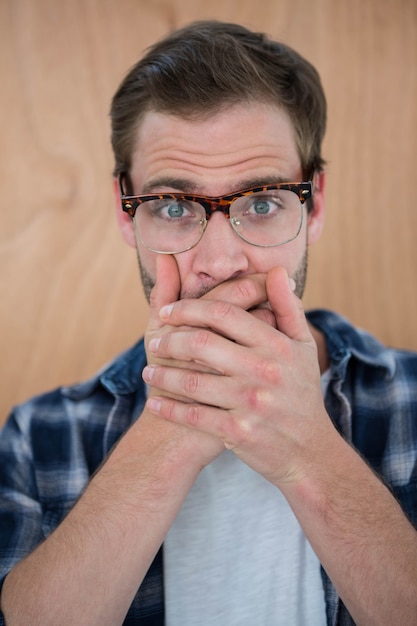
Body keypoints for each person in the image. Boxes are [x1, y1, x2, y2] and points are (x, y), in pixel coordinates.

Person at [0, 20, 416, 626]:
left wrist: (309, 454)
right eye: (173, 206)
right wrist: (175, 423)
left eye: (264, 202)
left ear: (315, 205)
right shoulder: (36, 440)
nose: (220, 262)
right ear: (126, 213)